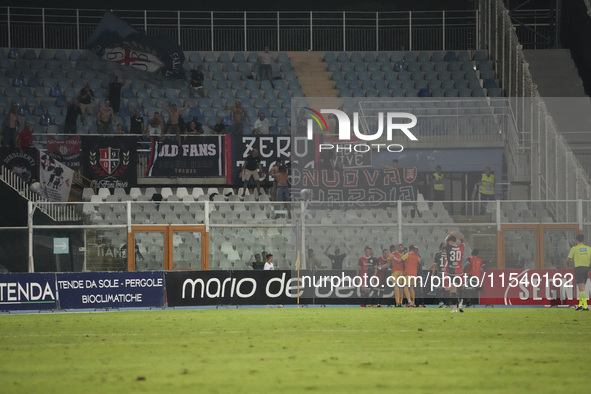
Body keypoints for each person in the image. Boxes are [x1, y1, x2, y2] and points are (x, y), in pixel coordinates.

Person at [566, 234, 591, 311]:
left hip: (579, 269)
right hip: (587, 269)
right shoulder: (589, 248)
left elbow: (568, 259)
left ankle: (586, 306)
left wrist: (572, 259)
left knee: (581, 288)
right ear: (583, 240)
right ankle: (580, 305)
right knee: (581, 288)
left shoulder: (574, 249)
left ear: (576, 240)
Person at [444, 231, 466, 313]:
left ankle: (455, 309)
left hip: (452, 272)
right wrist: (456, 235)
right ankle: (461, 303)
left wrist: (450, 234)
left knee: (453, 290)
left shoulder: (449, 248)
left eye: (450, 242)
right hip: (460, 271)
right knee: (462, 287)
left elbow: (445, 241)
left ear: (451, 242)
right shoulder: (461, 247)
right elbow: (463, 240)